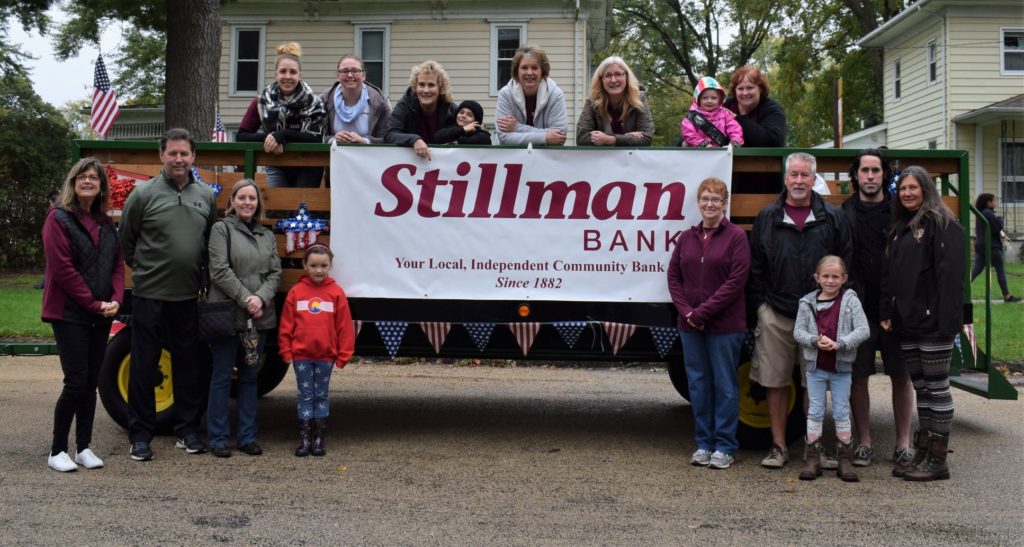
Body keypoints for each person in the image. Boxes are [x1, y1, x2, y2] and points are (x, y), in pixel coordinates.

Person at [747, 152, 852, 469]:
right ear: (785, 178)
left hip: (819, 315)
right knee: (775, 382)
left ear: (814, 179)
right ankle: (778, 446)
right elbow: (756, 268)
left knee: (814, 385)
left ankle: (814, 448)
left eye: (805, 175)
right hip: (776, 313)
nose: (798, 181)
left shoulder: (832, 217)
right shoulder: (768, 216)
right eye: (793, 175)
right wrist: (760, 308)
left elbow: (846, 264)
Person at [119, 128, 217, 461]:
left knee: (189, 366)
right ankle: (140, 435)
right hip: (149, 295)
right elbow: (127, 241)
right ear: (161, 155)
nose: (178, 159)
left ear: (193, 157)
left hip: (188, 296)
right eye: (172, 153)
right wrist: (146, 270)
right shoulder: (142, 194)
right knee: (144, 366)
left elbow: (207, 243)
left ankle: (187, 430)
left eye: (184, 154)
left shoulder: (205, 195)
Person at [881, 166, 966, 482]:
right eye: (903, 188)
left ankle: (938, 460)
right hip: (908, 322)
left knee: (937, 388)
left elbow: (950, 279)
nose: (907, 193)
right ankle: (923, 451)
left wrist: (945, 321)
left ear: (926, 189)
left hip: (934, 324)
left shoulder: (942, 224)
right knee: (921, 389)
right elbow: (892, 276)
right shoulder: (900, 228)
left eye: (913, 188)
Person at [41, 158, 124, 472]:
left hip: (100, 312)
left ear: (101, 185)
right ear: (73, 182)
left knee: (91, 383)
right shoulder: (58, 219)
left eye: (94, 177)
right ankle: (57, 450)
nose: (88, 181)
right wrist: (93, 303)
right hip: (69, 313)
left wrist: (116, 299)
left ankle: (83, 447)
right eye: (83, 177)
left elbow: (117, 264)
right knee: (75, 382)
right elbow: (63, 270)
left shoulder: (104, 222)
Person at [667, 177, 749, 470]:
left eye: (716, 199)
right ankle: (703, 443)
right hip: (690, 325)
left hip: (725, 325)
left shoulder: (737, 237)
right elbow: (673, 277)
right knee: (699, 385)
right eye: (705, 199)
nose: (710, 204)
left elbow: (736, 282)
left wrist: (702, 313)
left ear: (725, 204)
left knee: (725, 385)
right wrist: (688, 311)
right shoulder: (686, 238)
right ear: (698, 203)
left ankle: (725, 446)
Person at [841, 149, 915, 474]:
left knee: (901, 375)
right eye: (864, 171)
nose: (870, 176)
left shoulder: (901, 213)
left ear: (884, 174)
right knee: (858, 377)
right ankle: (865, 442)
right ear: (855, 176)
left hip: (895, 308)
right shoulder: (843, 213)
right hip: (858, 308)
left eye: (875, 170)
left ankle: (903, 444)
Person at [205, 179, 282, 458]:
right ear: (232, 201)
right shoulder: (221, 229)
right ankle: (218, 438)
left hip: (258, 318)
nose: (247, 203)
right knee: (222, 376)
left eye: (252, 198)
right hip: (227, 313)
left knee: (250, 378)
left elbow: (275, 273)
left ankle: (247, 436)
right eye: (242, 198)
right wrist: (246, 298)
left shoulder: (266, 235)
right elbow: (219, 270)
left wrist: (260, 298)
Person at [793, 256, 870, 482]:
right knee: (815, 410)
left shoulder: (850, 301)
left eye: (835, 276)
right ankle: (813, 458)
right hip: (815, 366)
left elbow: (863, 329)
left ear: (844, 278)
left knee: (840, 410)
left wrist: (841, 344)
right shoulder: (806, 303)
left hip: (841, 367)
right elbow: (798, 332)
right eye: (825, 276)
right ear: (817, 278)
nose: (830, 280)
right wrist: (814, 340)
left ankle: (844, 459)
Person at [278, 245, 355, 457]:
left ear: (330, 266)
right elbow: (286, 324)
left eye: (323, 265)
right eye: (313, 265)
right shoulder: (296, 292)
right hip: (301, 355)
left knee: (321, 395)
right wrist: (286, 350)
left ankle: (319, 439)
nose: (318, 270)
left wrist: (343, 354)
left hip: (325, 356)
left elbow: (344, 326)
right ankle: (305, 440)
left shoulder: (336, 293)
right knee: (305, 396)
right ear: (305, 265)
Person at [236, 42, 327, 188]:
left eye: (293, 72)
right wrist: (270, 138)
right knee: (277, 209)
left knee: (302, 210)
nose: (288, 76)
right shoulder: (262, 101)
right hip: (276, 163)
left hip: (308, 165)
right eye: (283, 71)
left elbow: (317, 138)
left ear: (300, 75)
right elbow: (241, 136)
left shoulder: (315, 103)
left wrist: (283, 135)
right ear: (276, 74)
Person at [724, 66, 787, 193]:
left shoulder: (773, 109)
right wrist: (684, 141)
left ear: (760, 89)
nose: (745, 93)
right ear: (734, 91)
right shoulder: (725, 105)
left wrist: (736, 119)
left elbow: (772, 140)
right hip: (725, 179)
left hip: (763, 182)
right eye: (740, 88)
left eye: (750, 88)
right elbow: (696, 122)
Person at [384, 60, 460, 161]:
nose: (425, 90)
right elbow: (390, 135)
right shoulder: (405, 105)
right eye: (421, 85)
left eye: (431, 85)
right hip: (410, 164)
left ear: (440, 88)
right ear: (415, 87)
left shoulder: (451, 109)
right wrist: (414, 140)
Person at [495, 45, 568, 146]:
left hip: (546, 159)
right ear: (517, 71)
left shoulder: (555, 95)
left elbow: (559, 137)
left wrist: (517, 128)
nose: (529, 73)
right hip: (512, 159)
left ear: (542, 70)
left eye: (534, 68)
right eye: (524, 68)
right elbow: (504, 137)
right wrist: (545, 137)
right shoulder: (505, 94)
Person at [576, 56, 654, 146]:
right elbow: (581, 138)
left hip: (631, 159)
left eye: (618, 74)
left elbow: (647, 138)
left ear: (626, 76)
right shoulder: (592, 102)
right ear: (601, 80)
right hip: (602, 159)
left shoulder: (639, 99)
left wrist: (610, 139)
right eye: (608, 75)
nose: (613, 80)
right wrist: (627, 138)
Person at [320, 54, 392, 144]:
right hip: (332, 156)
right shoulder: (324, 100)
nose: (350, 75)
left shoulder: (380, 102)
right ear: (338, 76)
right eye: (345, 71)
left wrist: (365, 141)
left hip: (368, 156)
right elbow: (316, 136)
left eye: (355, 71)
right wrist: (332, 140)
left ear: (363, 75)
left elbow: (388, 137)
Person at [970, 193, 1018, 303]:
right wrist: (1001, 219)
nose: (995, 203)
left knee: (976, 270)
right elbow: (997, 227)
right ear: (988, 203)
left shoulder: (980, 213)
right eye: (994, 201)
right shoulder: (988, 213)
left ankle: (960, 290)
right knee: (1000, 269)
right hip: (992, 246)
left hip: (981, 245)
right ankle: (1007, 296)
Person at [681, 76, 743, 148]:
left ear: (720, 99)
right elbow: (688, 132)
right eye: (705, 98)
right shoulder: (692, 116)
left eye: (713, 98)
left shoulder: (725, 113)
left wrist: (735, 141)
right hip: (698, 151)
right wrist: (702, 144)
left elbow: (734, 127)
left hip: (721, 151)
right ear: (698, 99)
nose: (709, 101)